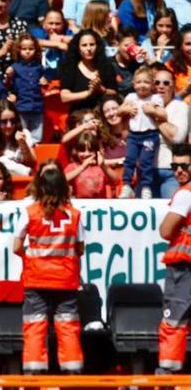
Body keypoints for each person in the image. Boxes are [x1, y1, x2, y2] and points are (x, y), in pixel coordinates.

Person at [13, 166, 84, 374]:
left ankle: (34, 373)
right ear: (64, 186)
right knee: (68, 325)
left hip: (36, 279)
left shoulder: (29, 212)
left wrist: (34, 256)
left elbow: (16, 247)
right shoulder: (75, 215)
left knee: (35, 325)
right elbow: (80, 249)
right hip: (66, 280)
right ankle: (72, 372)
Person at [156, 143, 191, 374]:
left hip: (184, 270)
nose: (179, 171)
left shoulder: (185, 194)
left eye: (184, 166)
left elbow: (166, 231)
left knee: (174, 323)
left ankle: (168, 376)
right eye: (174, 166)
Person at [117, 66, 166, 198]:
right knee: (130, 160)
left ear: (152, 84)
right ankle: (127, 185)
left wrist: (153, 111)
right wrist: (126, 110)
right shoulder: (131, 97)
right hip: (133, 136)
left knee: (145, 161)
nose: (142, 85)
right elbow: (119, 111)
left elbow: (163, 114)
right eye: (139, 82)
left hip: (150, 135)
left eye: (146, 82)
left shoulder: (155, 98)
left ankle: (146, 187)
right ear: (134, 84)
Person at [60, 29, 119, 111]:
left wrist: (101, 89)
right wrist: (88, 93)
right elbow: (64, 97)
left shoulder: (106, 66)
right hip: (80, 115)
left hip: (103, 114)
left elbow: (115, 93)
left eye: (92, 44)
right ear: (77, 48)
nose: (89, 48)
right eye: (84, 45)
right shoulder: (71, 68)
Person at [152, 67, 189, 198]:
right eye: (157, 83)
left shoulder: (181, 107)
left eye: (166, 83)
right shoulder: (144, 104)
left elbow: (177, 138)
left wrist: (155, 117)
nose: (161, 86)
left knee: (171, 211)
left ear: (173, 86)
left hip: (171, 171)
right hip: (147, 171)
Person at [6, 33, 47, 142]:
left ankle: (35, 150)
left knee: (37, 134)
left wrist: (44, 82)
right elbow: (9, 86)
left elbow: (44, 83)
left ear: (36, 50)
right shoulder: (15, 67)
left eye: (31, 49)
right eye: (24, 49)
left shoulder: (39, 67)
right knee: (22, 132)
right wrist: (8, 76)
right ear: (18, 50)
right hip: (21, 105)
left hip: (36, 105)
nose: (27, 51)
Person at [0, 98, 38, 174]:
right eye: (4, 122)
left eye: (12, 121)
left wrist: (22, 143)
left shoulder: (24, 134)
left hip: (22, 178)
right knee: (1, 160)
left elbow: (31, 164)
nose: (9, 125)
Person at [64, 132, 108, 197]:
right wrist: (83, 167)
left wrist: (103, 166)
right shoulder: (72, 167)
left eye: (90, 150)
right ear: (76, 151)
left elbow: (116, 180)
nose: (86, 154)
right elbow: (61, 180)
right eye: (82, 151)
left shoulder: (101, 167)